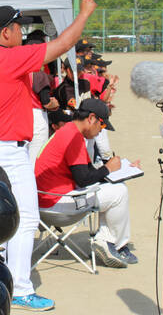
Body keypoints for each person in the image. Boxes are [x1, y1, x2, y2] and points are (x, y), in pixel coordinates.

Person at [0, 0, 97, 312]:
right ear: (6, 32)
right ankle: (20, 288)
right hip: (9, 152)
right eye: (18, 27)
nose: (21, 33)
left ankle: (1, 277)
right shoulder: (8, 57)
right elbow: (63, 44)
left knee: (0, 220)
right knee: (26, 219)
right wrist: (85, 13)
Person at [35, 98, 139, 268]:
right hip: (57, 206)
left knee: (113, 188)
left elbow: (88, 172)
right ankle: (111, 243)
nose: (100, 131)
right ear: (91, 118)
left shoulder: (68, 130)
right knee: (119, 192)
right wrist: (108, 169)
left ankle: (108, 241)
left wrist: (122, 169)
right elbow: (83, 179)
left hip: (45, 201)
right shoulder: (73, 137)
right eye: (102, 125)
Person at [24, 30, 59, 168]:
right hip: (37, 116)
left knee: (24, 156)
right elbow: (46, 102)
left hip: (21, 115)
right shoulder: (39, 74)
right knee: (35, 159)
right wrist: (54, 103)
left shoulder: (20, 72)